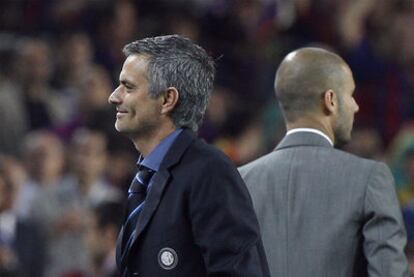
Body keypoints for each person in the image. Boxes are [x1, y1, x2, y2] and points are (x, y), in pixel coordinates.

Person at [108, 34, 270, 276]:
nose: (114, 97)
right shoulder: (146, 177)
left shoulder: (210, 172)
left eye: (128, 87)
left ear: (167, 100)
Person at [239, 47, 409, 277]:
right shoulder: (369, 178)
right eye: (350, 94)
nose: (356, 106)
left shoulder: (240, 182)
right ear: (330, 100)